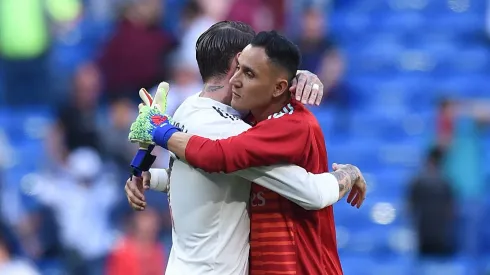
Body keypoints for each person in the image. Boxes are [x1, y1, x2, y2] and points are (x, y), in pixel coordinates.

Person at [129, 29, 366, 274]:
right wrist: (350, 173)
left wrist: (154, 168)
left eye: (250, 71)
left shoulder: (189, 108)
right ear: (236, 62)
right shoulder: (233, 129)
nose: (239, 78)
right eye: (242, 67)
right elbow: (313, 192)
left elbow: (208, 174)